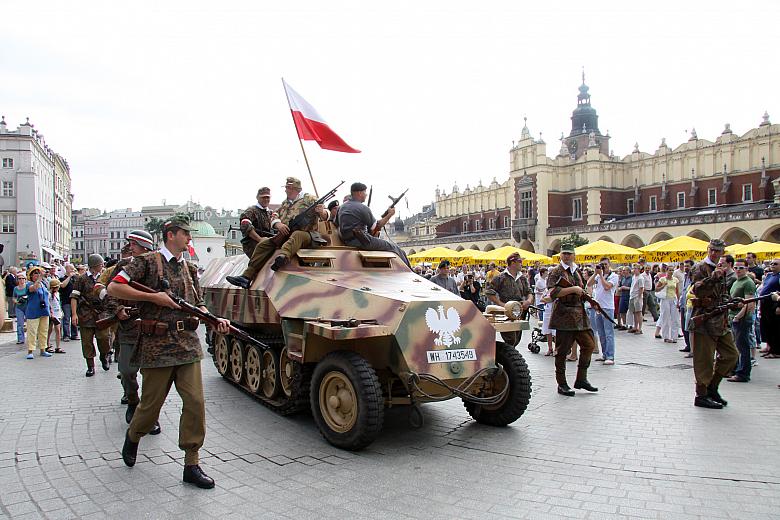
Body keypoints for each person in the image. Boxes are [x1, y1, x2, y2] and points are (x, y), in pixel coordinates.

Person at [108, 215, 230, 489]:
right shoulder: (146, 262)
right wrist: (154, 297)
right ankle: (134, 435)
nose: (189, 238)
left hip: (187, 344)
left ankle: (191, 463)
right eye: (185, 233)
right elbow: (114, 286)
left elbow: (199, 303)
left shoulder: (189, 268)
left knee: (195, 402)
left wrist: (213, 319)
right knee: (150, 407)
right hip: (157, 347)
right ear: (171, 234)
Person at [103, 230, 161, 434]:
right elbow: (109, 292)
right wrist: (118, 309)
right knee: (127, 371)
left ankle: (150, 415)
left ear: (144, 247)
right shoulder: (123, 266)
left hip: (152, 328)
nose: (130, 248)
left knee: (153, 377)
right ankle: (133, 399)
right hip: (129, 327)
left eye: (134, 244)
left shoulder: (158, 267)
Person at [228, 177, 328, 288]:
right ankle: (246, 277)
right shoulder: (285, 203)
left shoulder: (310, 199)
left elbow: (326, 214)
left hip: (308, 235)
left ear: (295, 189)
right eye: (286, 188)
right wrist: (278, 224)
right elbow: (275, 215)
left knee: (297, 235)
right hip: (288, 233)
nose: (286, 190)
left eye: (288, 188)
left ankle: (283, 257)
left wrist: (322, 212)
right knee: (264, 244)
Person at [689, 239, 739, 409]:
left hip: (720, 319)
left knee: (731, 355)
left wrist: (732, 302)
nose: (714, 253)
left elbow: (722, 293)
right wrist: (713, 278)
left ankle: (712, 387)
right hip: (704, 319)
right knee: (704, 361)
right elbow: (698, 290)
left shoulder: (720, 269)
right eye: (711, 250)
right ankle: (701, 395)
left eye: (717, 251)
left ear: (722, 253)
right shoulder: (700, 268)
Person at [546, 246, 599, 396]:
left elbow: (581, 289)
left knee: (589, 345)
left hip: (580, 314)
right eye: (564, 254)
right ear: (560, 255)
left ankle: (581, 379)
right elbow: (553, 292)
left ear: (574, 255)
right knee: (562, 351)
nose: (567, 256)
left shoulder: (576, 270)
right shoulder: (556, 271)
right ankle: (561, 383)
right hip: (564, 314)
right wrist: (573, 289)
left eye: (569, 254)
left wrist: (590, 300)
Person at [336, 182, 411, 267]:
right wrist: (389, 215)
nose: (366, 194)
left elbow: (336, 223)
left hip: (347, 241)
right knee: (395, 248)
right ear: (359, 193)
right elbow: (376, 227)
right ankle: (410, 271)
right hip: (363, 241)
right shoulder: (362, 208)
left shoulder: (342, 207)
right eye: (365, 192)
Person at [71, 253, 111, 377]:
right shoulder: (81, 279)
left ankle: (104, 356)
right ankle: (90, 366)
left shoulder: (104, 277)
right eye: (100, 264)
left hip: (102, 314)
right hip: (86, 314)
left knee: (104, 338)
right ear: (94, 266)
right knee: (87, 342)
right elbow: (74, 297)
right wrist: (74, 314)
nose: (102, 266)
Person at [485, 252, 533, 347]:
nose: (521, 263)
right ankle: (508, 353)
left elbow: (529, 292)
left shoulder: (522, 278)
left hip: (519, 312)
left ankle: (509, 353)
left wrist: (528, 301)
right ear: (513, 262)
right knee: (511, 339)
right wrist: (501, 304)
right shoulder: (500, 277)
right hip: (506, 313)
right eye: (520, 261)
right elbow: (489, 292)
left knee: (517, 339)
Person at [727, 258, 757, 383]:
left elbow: (750, 304)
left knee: (742, 347)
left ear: (746, 269)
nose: (738, 270)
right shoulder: (736, 282)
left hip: (742, 319)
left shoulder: (748, 282)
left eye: (741, 268)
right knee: (735, 346)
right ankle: (735, 370)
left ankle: (743, 374)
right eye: (736, 268)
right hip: (733, 317)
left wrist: (738, 317)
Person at [587, 257, 618, 365]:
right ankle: (605, 354)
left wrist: (600, 275)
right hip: (598, 307)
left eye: (605, 264)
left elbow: (607, 287)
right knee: (601, 333)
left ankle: (610, 356)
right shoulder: (599, 275)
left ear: (609, 265)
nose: (603, 266)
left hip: (608, 307)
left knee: (608, 333)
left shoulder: (614, 276)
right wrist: (595, 273)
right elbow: (589, 284)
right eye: (602, 264)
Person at [238, 187, 277, 258]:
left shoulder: (270, 213)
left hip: (269, 242)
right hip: (253, 244)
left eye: (268, 197)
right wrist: (260, 240)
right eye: (263, 197)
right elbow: (245, 225)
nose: (266, 199)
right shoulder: (251, 211)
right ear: (257, 198)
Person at [24, 266, 52, 359]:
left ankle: (43, 349)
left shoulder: (43, 284)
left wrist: (50, 309)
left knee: (43, 331)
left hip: (44, 311)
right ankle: (30, 350)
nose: (38, 275)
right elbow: (34, 289)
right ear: (31, 275)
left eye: (39, 273)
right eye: (35, 273)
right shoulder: (29, 284)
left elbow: (47, 296)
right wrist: (39, 279)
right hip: (33, 311)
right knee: (32, 332)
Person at [758, 258, 780, 358]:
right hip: (765, 304)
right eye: (771, 263)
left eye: (775, 264)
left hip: (774, 304)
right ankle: (770, 348)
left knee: (775, 328)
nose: (773, 265)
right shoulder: (769, 275)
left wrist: (779, 306)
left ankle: (776, 351)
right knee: (767, 327)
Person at [655, 264, 680, 343]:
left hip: (673, 299)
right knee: (665, 317)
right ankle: (666, 336)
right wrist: (663, 286)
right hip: (665, 299)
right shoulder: (662, 279)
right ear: (666, 271)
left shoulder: (675, 280)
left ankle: (674, 337)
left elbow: (677, 291)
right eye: (669, 270)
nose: (671, 272)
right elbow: (656, 289)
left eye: (672, 270)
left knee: (675, 318)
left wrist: (678, 301)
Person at [59, 263, 78, 341]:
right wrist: (69, 276)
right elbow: (62, 285)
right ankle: (66, 335)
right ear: (67, 269)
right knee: (66, 318)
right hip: (66, 301)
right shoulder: (62, 278)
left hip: (75, 301)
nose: (73, 270)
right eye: (71, 269)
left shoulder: (75, 278)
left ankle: (74, 334)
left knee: (74, 317)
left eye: (73, 269)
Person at [46, 278, 65, 354]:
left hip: (57, 313)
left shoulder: (57, 294)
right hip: (52, 313)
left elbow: (58, 303)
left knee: (58, 330)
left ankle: (58, 346)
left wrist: (61, 311)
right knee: (49, 330)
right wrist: (50, 313)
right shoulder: (49, 294)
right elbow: (48, 304)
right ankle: (47, 344)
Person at [628, 264, 644, 334]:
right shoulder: (634, 277)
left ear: (639, 269)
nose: (634, 270)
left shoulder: (640, 278)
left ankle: (640, 328)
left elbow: (641, 288)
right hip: (632, 296)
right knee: (634, 312)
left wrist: (639, 297)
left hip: (637, 297)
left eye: (635, 268)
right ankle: (635, 326)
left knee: (638, 312)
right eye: (633, 268)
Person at [12, 273, 27, 345]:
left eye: (22, 278)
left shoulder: (27, 287)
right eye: (19, 278)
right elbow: (14, 297)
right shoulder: (15, 288)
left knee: (30, 322)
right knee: (20, 323)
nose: (21, 280)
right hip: (19, 307)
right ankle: (21, 339)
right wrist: (16, 301)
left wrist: (26, 297)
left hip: (27, 306)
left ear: (25, 279)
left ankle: (33, 337)